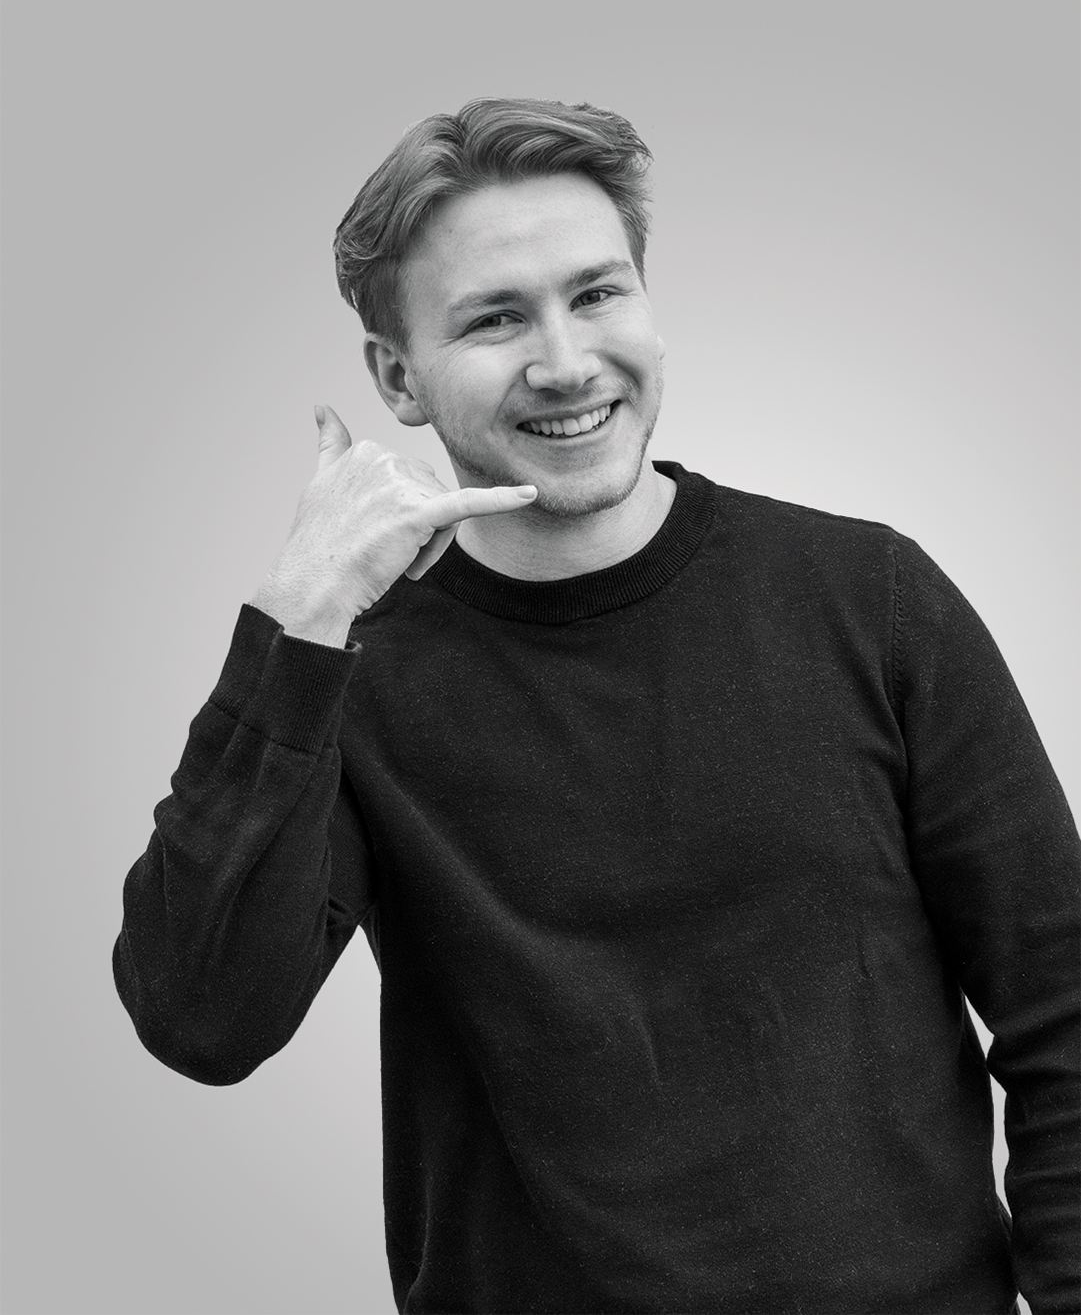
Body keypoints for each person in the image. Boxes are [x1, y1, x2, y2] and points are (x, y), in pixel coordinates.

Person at [114, 97, 1080, 1314]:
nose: (566, 362)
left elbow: (1061, 1008)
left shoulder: (870, 600)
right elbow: (201, 1020)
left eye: (597, 294)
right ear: (398, 378)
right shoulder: (345, 677)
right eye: (495, 318)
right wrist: (297, 619)